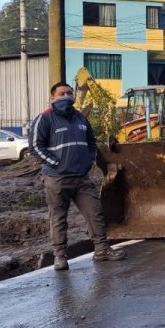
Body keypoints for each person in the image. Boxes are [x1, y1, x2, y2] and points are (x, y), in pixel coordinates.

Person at [29, 81, 126, 271]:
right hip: (57, 179)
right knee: (58, 218)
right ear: (52, 98)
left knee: (95, 212)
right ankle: (60, 257)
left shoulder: (81, 119)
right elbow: (35, 146)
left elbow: (91, 142)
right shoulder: (45, 119)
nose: (66, 97)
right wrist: (56, 163)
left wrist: (89, 161)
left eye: (69, 93)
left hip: (81, 178)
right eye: (62, 94)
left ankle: (102, 250)